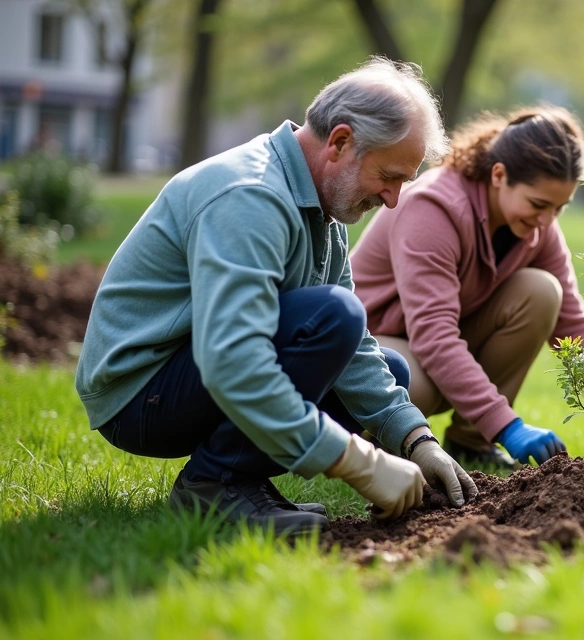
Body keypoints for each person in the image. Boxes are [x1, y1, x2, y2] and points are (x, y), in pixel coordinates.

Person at [75, 58, 478, 536]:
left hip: (187, 375)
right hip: (139, 394)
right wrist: (361, 463)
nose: (392, 199)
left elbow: (357, 352)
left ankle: (240, 480)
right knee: (335, 316)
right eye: (389, 176)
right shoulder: (250, 195)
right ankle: (215, 483)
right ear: (341, 142)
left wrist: (415, 439)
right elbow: (232, 361)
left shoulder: (324, 205)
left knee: (387, 369)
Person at [349, 106, 584, 467]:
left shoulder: (535, 226)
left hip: (429, 340)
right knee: (416, 384)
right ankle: (379, 440)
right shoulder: (434, 208)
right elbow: (434, 336)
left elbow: (573, 323)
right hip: (372, 345)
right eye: (538, 204)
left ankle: (471, 442)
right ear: (499, 175)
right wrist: (508, 427)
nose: (546, 221)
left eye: (558, 209)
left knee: (542, 292)